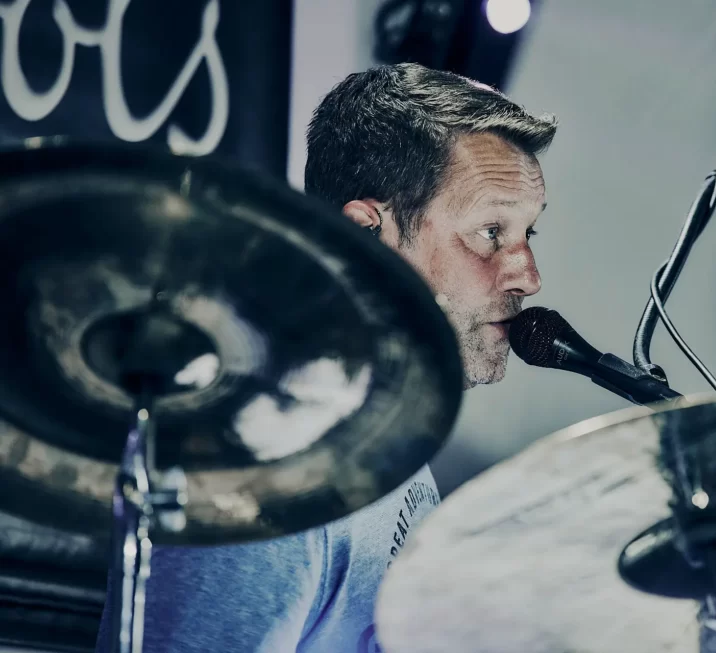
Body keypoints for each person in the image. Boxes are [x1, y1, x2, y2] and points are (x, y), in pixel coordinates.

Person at [95, 62, 557, 652]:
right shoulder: (270, 465)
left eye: (527, 234)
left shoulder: (381, 433)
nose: (528, 276)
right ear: (367, 234)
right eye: (490, 232)